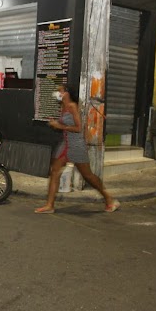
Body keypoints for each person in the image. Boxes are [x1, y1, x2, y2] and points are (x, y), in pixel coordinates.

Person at [35, 84, 120, 214]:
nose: (58, 93)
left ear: (67, 93)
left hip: (76, 144)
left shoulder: (72, 106)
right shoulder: (62, 107)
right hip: (66, 143)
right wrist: (55, 124)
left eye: (60, 91)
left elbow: (78, 128)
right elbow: (65, 125)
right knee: (54, 172)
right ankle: (49, 205)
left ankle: (109, 198)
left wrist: (59, 126)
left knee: (88, 176)